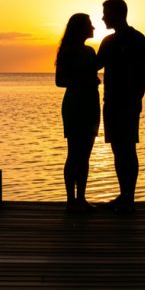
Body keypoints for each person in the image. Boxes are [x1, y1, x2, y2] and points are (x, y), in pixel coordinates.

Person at [96, 0, 145, 214]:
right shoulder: (108, 42)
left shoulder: (137, 39)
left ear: (118, 14)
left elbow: (143, 73)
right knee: (118, 149)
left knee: (128, 148)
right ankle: (124, 194)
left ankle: (129, 197)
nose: (103, 18)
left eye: (106, 13)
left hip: (128, 103)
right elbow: (95, 65)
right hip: (111, 103)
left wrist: (137, 99)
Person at [55, 13, 101, 213]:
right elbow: (60, 81)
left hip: (91, 104)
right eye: (90, 25)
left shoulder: (91, 52)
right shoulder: (67, 52)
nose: (94, 28)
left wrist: (93, 81)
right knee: (74, 153)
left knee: (85, 155)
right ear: (80, 28)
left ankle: (81, 198)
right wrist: (85, 81)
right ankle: (70, 200)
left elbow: (91, 76)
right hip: (75, 105)